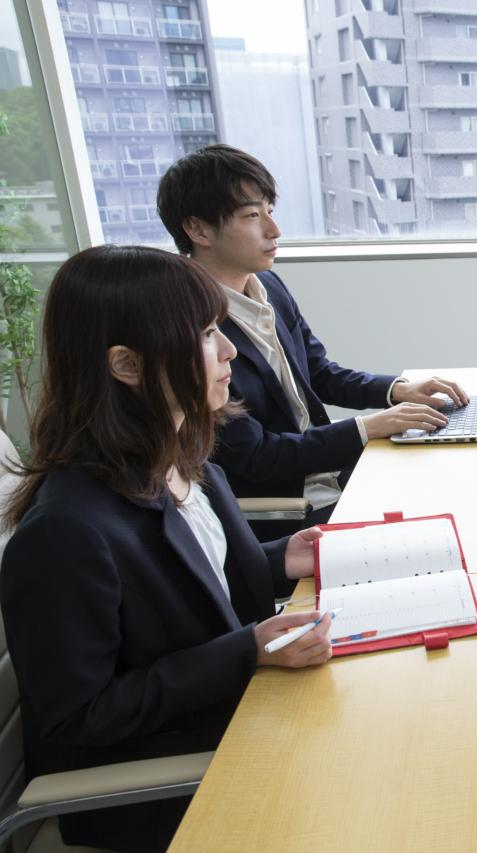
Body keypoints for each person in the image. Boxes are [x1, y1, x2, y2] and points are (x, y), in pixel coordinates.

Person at [0, 246, 334, 851]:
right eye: (208, 334)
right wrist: (247, 651)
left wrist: (284, 556)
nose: (230, 350)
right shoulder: (65, 533)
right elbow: (81, 716)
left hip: (242, 715)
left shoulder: (181, 456)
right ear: (126, 365)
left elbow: (194, 580)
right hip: (166, 780)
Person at [156, 145, 468, 535]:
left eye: (271, 210)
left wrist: (397, 390)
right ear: (198, 229)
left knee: (453, 477)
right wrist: (369, 427)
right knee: (439, 519)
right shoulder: (187, 327)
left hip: (328, 475)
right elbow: (255, 455)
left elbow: (319, 372)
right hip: (286, 507)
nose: (274, 230)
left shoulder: (267, 285)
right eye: (252, 215)